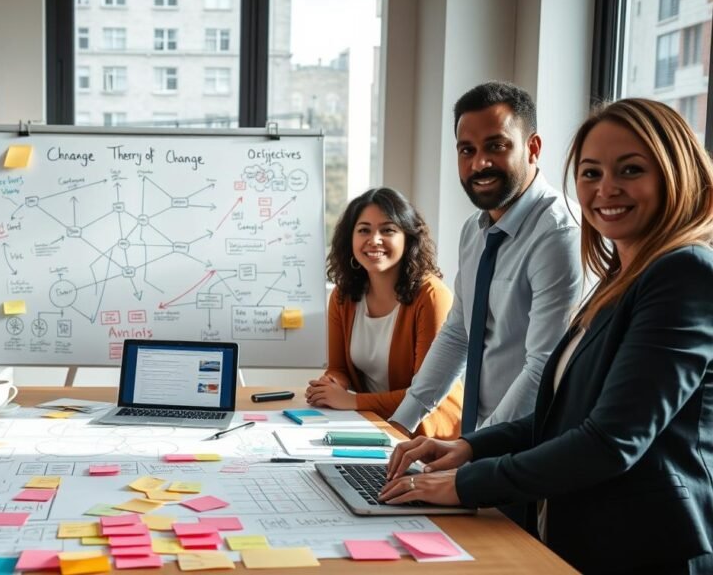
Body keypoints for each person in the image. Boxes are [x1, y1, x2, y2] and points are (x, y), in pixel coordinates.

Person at [380, 98, 713, 574]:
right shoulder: (621, 278)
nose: (606, 189)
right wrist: (471, 447)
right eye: (591, 172)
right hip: (583, 534)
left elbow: (610, 441)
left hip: (648, 548)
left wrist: (465, 482)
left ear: (674, 173)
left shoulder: (684, 272)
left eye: (631, 169)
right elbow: (563, 413)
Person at [390, 81, 582, 438]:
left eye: (496, 146)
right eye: (467, 150)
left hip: (531, 442)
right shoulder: (474, 230)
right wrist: (399, 425)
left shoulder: (559, 233)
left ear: (533, 148)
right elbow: (458, 335)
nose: (479, 163)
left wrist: (473, 448)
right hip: (485, 439)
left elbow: (544, 366)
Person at [304, 187, 463, 438]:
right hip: (373, 426)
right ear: (350, 239)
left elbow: (424, 394)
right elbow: (338, 369)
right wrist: (331, 385)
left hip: (428, 434)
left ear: (408, 238)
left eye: (388, 230)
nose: (374, 240)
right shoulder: (343, 296)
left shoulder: (432, 296)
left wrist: (350, 401)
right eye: (364, 230)